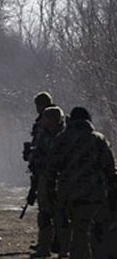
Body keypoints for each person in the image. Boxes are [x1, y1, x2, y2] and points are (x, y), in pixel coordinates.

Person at [49, 107, 117, 259]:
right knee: (87, 229)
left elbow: (52, 165)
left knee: (77, 228)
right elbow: (109, 167)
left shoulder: (63, 138)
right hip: (94, 193)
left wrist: (51, 189)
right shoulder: (98, 139)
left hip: (68, 192)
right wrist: (112, 188)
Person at [30, 106, 69, 258]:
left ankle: (63, 249)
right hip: (45, 179)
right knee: (44, 215)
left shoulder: (65, 137)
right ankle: (44, 247)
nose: (43, 121)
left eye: (46, 118)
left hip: (59, 181)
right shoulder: (44, 135)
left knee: (61, 216)